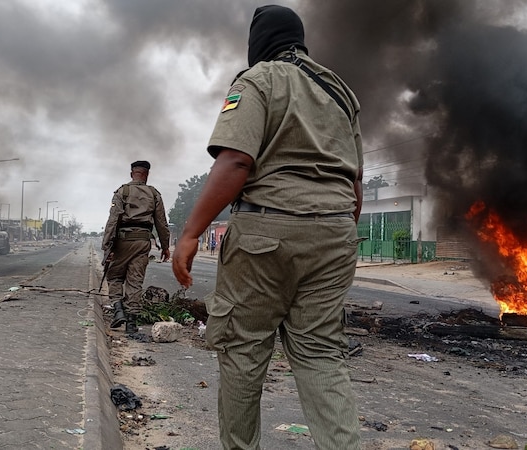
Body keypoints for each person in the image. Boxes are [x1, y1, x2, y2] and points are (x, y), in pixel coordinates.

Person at [171, 5, 364, 449]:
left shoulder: (258, 79)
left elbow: (237, 159)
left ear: (260, 41)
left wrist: (191, 233)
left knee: (244, 350)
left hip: (265, 231)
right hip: (335, 233)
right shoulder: (340, 92)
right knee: (320, 355)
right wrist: (335, 233)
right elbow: (354, 183)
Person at [103, 160, 171, 334]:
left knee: (115, 276)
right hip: (143, 241)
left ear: (131, 173)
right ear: (146, 174)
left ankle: (118, 311)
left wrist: (107, 246)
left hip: (122, 241)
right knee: (135, 281)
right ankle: (132, 323)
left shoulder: (122, 191)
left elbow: (113, 220)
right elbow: (161, 223)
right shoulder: (154, 194)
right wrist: (165, 246)